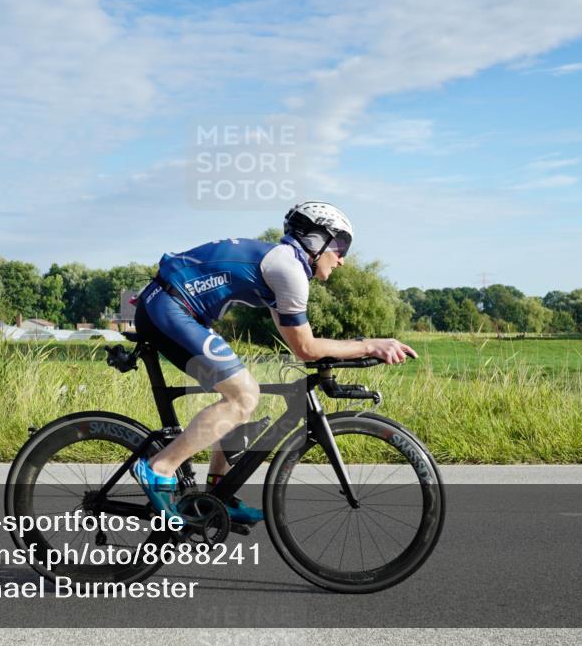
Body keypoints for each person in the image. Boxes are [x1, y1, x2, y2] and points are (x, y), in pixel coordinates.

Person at [130, 201, 417, 525]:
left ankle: (217, 494)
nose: (342, 259)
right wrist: (370, 345)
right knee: (243, 396)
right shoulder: (289, 269)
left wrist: (362, 348)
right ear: (314, 239)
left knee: (240, 396)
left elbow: (300, 343)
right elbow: (305, 348)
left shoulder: (282, 265)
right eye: (339, 245)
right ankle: (160, 467)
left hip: (171, 305)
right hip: (171, 306)